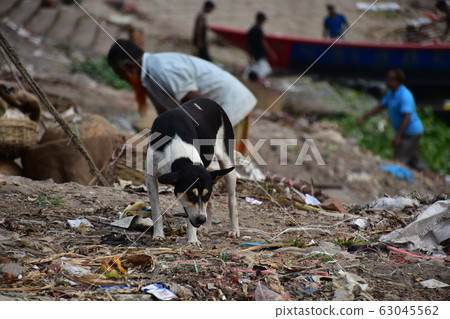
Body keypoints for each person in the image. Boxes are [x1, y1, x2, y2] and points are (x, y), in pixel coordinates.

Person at [107, 39, 257, 153]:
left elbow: (200, 104)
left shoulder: (161, 70)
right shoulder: (148, 78)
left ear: (129, 67)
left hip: (230, 102)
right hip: (218, 108)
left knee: (226, 161)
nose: (121, 79)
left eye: (118, 73)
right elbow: (166, 116)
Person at [357, 69, 427, 171]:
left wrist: (398, 136)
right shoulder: (391, 93)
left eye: (390, 79)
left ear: (397, 81)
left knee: (399, 160)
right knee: (413, 161)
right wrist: (364, 117)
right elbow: (380, 107)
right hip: (407, 132)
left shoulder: (404, 95)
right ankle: (430, 176)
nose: (386, 81)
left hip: (410, 132)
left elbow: (407, 117)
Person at [246, 11, 277, 80]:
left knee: (262, 69)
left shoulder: (251, 30)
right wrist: (271, 52)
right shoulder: (259, 30)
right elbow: (263, 42)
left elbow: (249, 45)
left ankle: (254, 78)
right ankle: (256, 81)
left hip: (254, 54)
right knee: (265, 71)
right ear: (260, 20)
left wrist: (249, 56)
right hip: (259, 54)